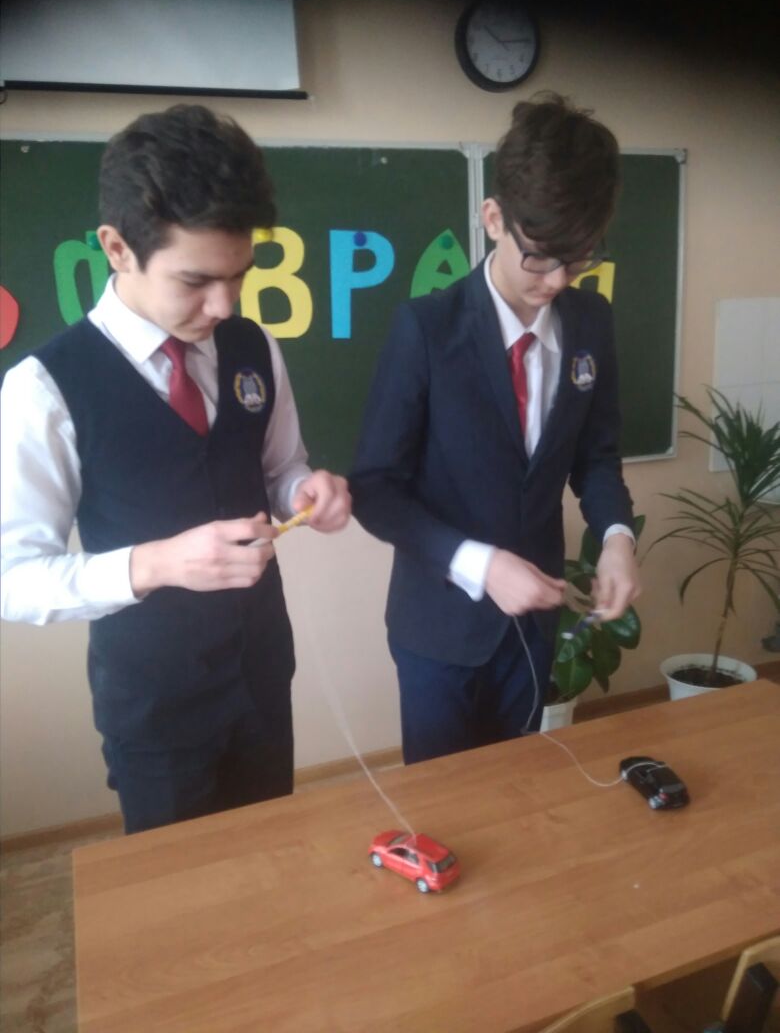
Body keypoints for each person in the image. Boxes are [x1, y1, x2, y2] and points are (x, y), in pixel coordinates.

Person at [0, 104, 351, 832]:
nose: (223, 304)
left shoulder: (254, 347)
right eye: (195, 280)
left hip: (261, 670)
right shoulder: (44, 388)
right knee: (178, 892)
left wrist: (305, 491)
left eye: (239, 276)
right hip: (153, 704)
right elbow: (14, 577)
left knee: (269, 857)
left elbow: (282, 466)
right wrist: (156, 563)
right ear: (117, 248)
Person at [350, 93, 640, 764]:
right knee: (444, 806)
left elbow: (596, 458)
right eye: (540, 257)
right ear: (492, 219)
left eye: (579, 259)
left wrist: (617, 538)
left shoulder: (591, 323)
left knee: (518, 788)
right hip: (439, 629)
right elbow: (376, 489)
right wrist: (481, 565)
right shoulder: (426, 329)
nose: (557, 280)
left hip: (532, 627)